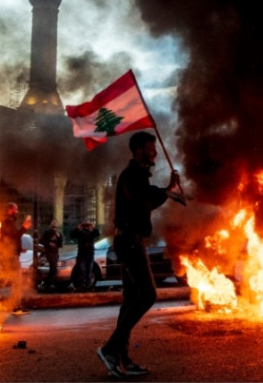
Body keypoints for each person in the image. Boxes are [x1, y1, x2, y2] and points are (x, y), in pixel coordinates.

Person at [97, 131, 181, 379]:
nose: (154, 152)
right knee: (147, 295)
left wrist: (167, 189)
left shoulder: (137, 176)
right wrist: (167, 191)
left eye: (154, 147)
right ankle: (110, 349)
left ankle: (122, 358)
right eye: (149, 148)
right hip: (130, 242)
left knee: (131, 299)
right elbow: (146, 196)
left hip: (130, 241)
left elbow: (146, 202)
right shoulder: (133, 175)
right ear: (137, 150)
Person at [0, 202, 31, 312]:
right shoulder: (8, 221)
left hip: (9, 255)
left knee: (5, 280)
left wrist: (19, 249)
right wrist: (24, 228)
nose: (17, 212)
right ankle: (16, 306)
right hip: (10, 256)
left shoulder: (8, 221)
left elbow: (9, 240)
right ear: (10, 210)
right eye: (15, 209)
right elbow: (12, 237)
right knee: (16, 281)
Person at [70, 220, 101, 291]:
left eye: (88, 225)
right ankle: (82, 285)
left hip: (90, 254)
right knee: (82, 270)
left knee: (89, 271)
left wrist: (93, 227)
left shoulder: (91, 233)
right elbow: (72, 235)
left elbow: (97, 233)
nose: (87, 227)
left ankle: (88, 286)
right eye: (85, 225)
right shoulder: (80, 233)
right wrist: (78, 228)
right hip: (82, 255)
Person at [38, 218, 64, 291]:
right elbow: (41, 241)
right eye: (53, 223)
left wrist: (58, 237)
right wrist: (48, 243)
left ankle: (47, 283)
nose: (54, 224)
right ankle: (47, 284)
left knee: (54, 269)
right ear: (50, 225)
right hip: (49, 252)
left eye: (55, 223)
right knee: (53, 268)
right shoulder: (47, 233)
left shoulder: (59, 234)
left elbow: (60, 245)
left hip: (55, 252)